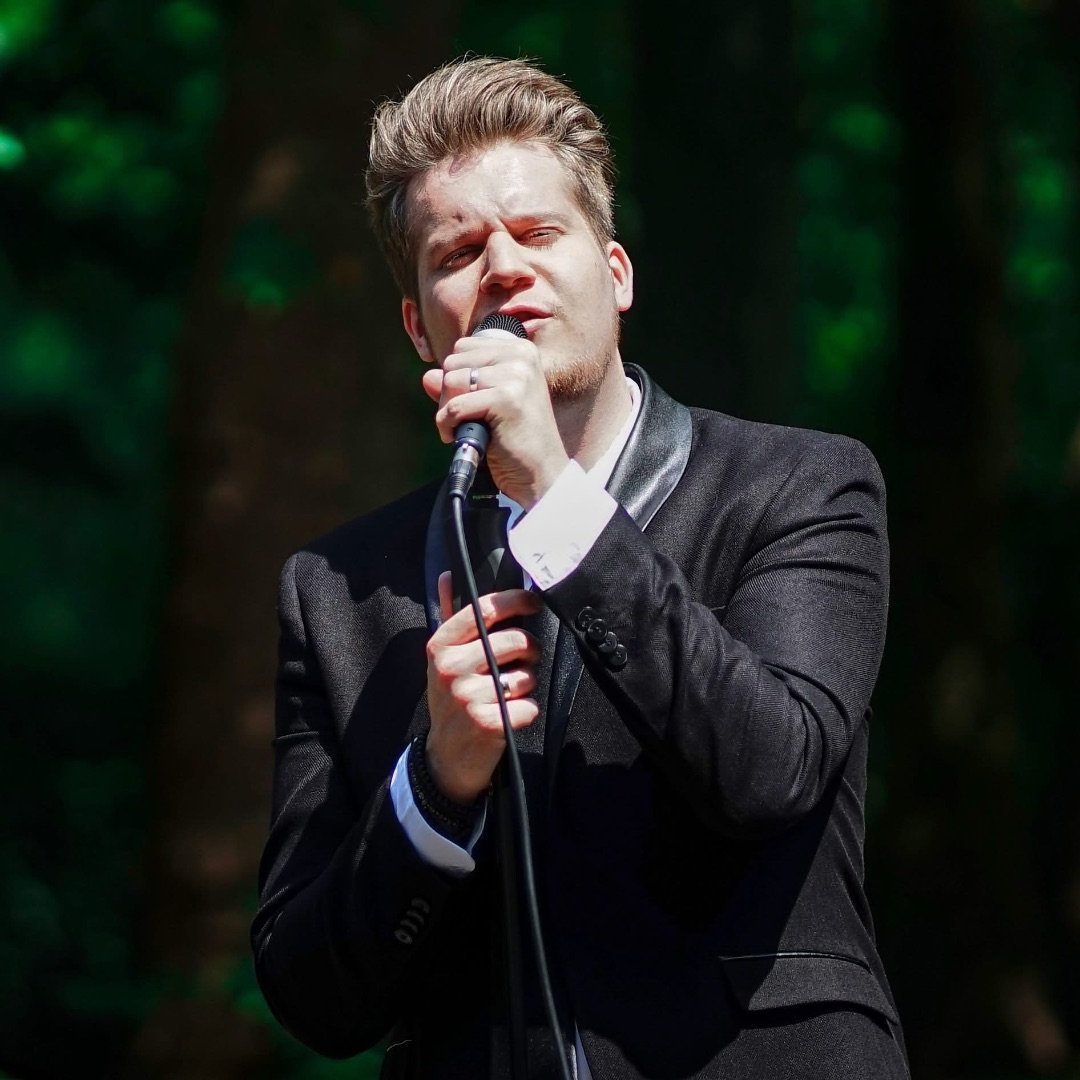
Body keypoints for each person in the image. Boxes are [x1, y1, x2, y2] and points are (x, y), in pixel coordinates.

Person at [251, 56, 909, 1080]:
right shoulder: (337, 590)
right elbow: (311, 992)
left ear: (616, 275)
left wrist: (556, 497)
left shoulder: (800, 487)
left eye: (539, 233)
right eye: (458, 250)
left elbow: (770, 772)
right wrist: (436, 783)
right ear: (421, 326)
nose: (504, 268)